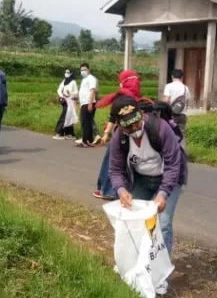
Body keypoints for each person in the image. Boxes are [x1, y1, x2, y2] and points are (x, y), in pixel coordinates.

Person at [109, 96, 187, 258]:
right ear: (119, 125)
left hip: (169, 180)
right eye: (129, 127)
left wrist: (163, 194)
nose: (135, 128)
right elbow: (115, 170)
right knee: (132, 219)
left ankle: (161, 270)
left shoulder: (160, 128)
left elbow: (174, 164)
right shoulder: (119, 137)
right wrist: (122, 190)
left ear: (140, 114)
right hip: (142, 180)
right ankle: (137, 261)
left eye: (137, 122)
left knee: (163, 223)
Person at [93, 70, 142, 200]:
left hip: (120, 136)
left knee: (112, 163)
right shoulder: (137, 98)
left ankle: (108, 190)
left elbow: (113, 118)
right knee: (132, 163)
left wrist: (106, 134)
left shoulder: (121, 97)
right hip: (137, 136)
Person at [162, 69, 190, 139]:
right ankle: (182, 148)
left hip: (172, 115)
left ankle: (173, 149)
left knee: (170, 134)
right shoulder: (186, 88)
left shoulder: (169, 86)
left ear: (172, 76)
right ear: (182, 77)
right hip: (182, 115)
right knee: (182, 134)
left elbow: (166, 100)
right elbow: (187, 101)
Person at [77, 63, 98, 147]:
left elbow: (92, 90)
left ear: (88, 70)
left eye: (84, 70)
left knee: (86, 122)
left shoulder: (91, 78)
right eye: (81, 70)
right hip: (84, 103)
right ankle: (88, 140)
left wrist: (89, 103)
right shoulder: (84, 80)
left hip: (88, 103)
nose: (83, 71)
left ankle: (86, 141)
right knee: (86, 122)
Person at [53, 69, 78, 140]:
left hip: (70, 102)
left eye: (68, 72)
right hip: (64, 101)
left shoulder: (73, 82)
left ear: (71, 73)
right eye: (65, 72)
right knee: (67, 117)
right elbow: (59, 89)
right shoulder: (64, 81)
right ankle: (64, 133)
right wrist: (62, 95)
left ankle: (64, 134)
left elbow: (76, 92)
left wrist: (70, 94)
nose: (66, 73)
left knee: (66, 117)